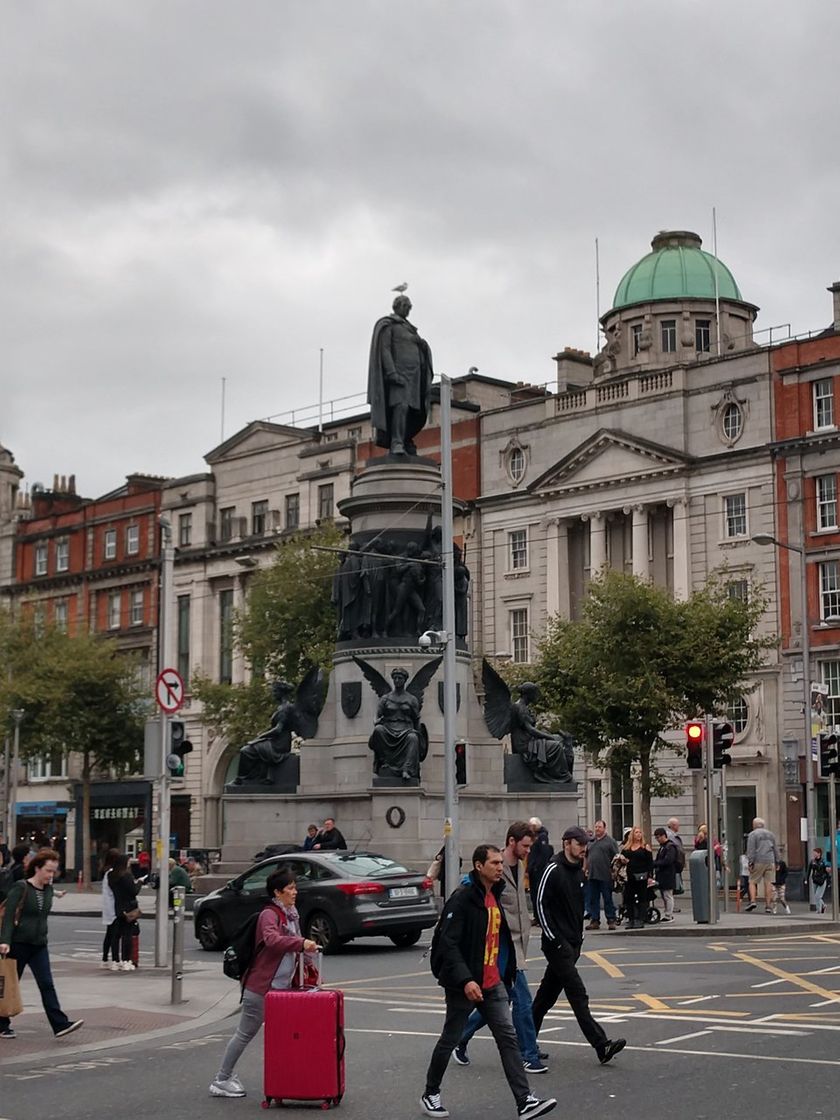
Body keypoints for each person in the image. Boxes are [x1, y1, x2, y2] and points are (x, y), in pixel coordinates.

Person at [422, 844, 556, 1120]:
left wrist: (507, 972)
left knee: (507, 1038)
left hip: (492, 982)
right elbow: (449, 944)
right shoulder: (462, 899)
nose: (499, 867)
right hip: (465, 984)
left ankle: (524, 1101)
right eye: (494, 863)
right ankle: (430, 1093)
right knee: (450, 1038)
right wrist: (466, 979)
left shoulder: (495, 895)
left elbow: (497, 939)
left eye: (500, 863)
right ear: (479, 866)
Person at [209, 869, 319, 1098]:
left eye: (295, 887)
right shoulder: (269, 915)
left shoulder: (291, 913)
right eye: (289, 889)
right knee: (245, 1033)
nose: (294, 892)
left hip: (282, 990)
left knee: (287, 1034)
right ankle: (221, 1079)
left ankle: (289, 1078)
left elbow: (296, 943)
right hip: (261, 988)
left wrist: (309, 959)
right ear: (277, 892)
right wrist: (300, 943)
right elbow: (272, 940)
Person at [453, 823, 547, 1074]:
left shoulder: (519, 864)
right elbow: (469, 886)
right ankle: (527, 1054)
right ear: (512, 842)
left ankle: (460, 1037)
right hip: (499, 945)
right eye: (525, 846)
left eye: (530, 846)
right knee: (522, 999)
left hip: (517, 942)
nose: (528, 850)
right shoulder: (496, 867)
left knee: (496, 1002)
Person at [532, 827, 625, 1065]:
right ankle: (601, 1045)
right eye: (579, 843)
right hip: (557, 945)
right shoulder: (553, 869)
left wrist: (578, 939)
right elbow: (540, 905)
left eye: (586, 843)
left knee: (546, 997)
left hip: (572, 945)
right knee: (578, 994)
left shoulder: (578, 871)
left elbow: (576, 910)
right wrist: (555, 939)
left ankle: (524, 1041)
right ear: (566, 843)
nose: (584, 847)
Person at [0, 848, 83, 1040]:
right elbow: (9, 915)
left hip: (39, 945)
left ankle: (60, 1024)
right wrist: (4, 941)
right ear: (37, 868)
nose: (51, 875)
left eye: (54, 871)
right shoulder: (20, 888)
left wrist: (57, 893)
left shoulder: (48, 890)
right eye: (48, 870)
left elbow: (45, 899)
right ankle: (2, 1024)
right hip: (17, 945)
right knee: (10, 986)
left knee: (47, 984)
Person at [368, 294, 434, 457]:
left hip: (414, 378)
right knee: (400, 407)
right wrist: (391, 373)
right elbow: (385, 350)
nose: (408, 309)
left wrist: (423, 345)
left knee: (413, 411)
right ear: (397, 306)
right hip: (399, 376)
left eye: (410, 306)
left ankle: (405, 439)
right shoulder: (389, 325)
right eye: (406, 306)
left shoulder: (410, 328)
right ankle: (396, 441)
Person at [585, 820, 619, 931]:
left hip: (605, 875)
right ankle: (595, 920)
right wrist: (585, 869)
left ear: (604, 828)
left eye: (599, 827)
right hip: (592, 875)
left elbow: (616, 857)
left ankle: (611, 920)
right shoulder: (590, 841)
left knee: (607, 898)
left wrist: (614, 872)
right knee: (593, 899)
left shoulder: (610, 841)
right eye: (596, 827)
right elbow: (586, 856)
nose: (597, 829)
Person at [617, 827, 653, 930]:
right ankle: (631, 919)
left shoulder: (645, 847)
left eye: (640, 833)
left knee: (642, 898)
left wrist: (650, 876)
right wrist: (623, 861)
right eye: (636, 832)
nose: (638, 834)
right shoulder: (626, 848)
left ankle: (640, 919)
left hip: (642, 875)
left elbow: (650, 863)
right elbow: (621, 861)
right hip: (629, 876)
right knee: (629, 898)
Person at [109, 853, 140, 971]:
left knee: (116, 935)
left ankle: (116, 961)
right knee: (127, 934)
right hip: (129, 907)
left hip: (118, 907)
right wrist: (140, 883)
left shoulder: (111, 875)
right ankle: (126, 960)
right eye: (128, 861)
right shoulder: (126, 875)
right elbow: (133, 891)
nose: (129, 863)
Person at [745, 817, 779, 913]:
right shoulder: (771, 834)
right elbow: (775, 848)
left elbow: (751, 850)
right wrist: (778, 861)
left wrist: (750, 862)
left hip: (758, 860)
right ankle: (768, 905)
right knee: (768, 883)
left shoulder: (753, 834)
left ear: (754, 825)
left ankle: (753, 901)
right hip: (770, 860)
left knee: (752, 881)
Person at [526, 818, 554, 919]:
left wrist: (537, 867)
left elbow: (543, 853)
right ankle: (536, 916)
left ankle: (540, 917)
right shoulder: (535, 836)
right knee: (534, 894)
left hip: (538, 870)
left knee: (538, 893)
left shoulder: (542, 837)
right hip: (533, 869)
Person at [100, 848, 121, 969]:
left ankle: (104, 958)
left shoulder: (107, 871)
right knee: (115, 935)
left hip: (108, 906)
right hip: (113, 906)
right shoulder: (112, 873)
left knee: (109, 934)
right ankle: (115, 960)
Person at [652, 828, 678, 922]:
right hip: (663, 874)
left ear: (664, 836)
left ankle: (669, 915)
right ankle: (667, 913)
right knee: (665, 895)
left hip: (668, 874)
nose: (657, 839)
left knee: (668, 895)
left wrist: (655, 863)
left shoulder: (669, 847)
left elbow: (668, 860)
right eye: (656, 838)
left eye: (658, 837)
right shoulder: (664, 846)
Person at [806, 847, 829, 914]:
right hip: (815, 880)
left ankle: (819, 909)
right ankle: (823, 906)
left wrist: (827, 879)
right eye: (814, 853)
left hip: (822, 880)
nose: (814, 854)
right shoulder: (812, 861)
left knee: (817, 896)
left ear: (819, 853)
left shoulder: (823, 861)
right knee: (816, 896)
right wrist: (806, 879)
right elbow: (809, 870)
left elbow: (826, 871)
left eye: (815, 853)